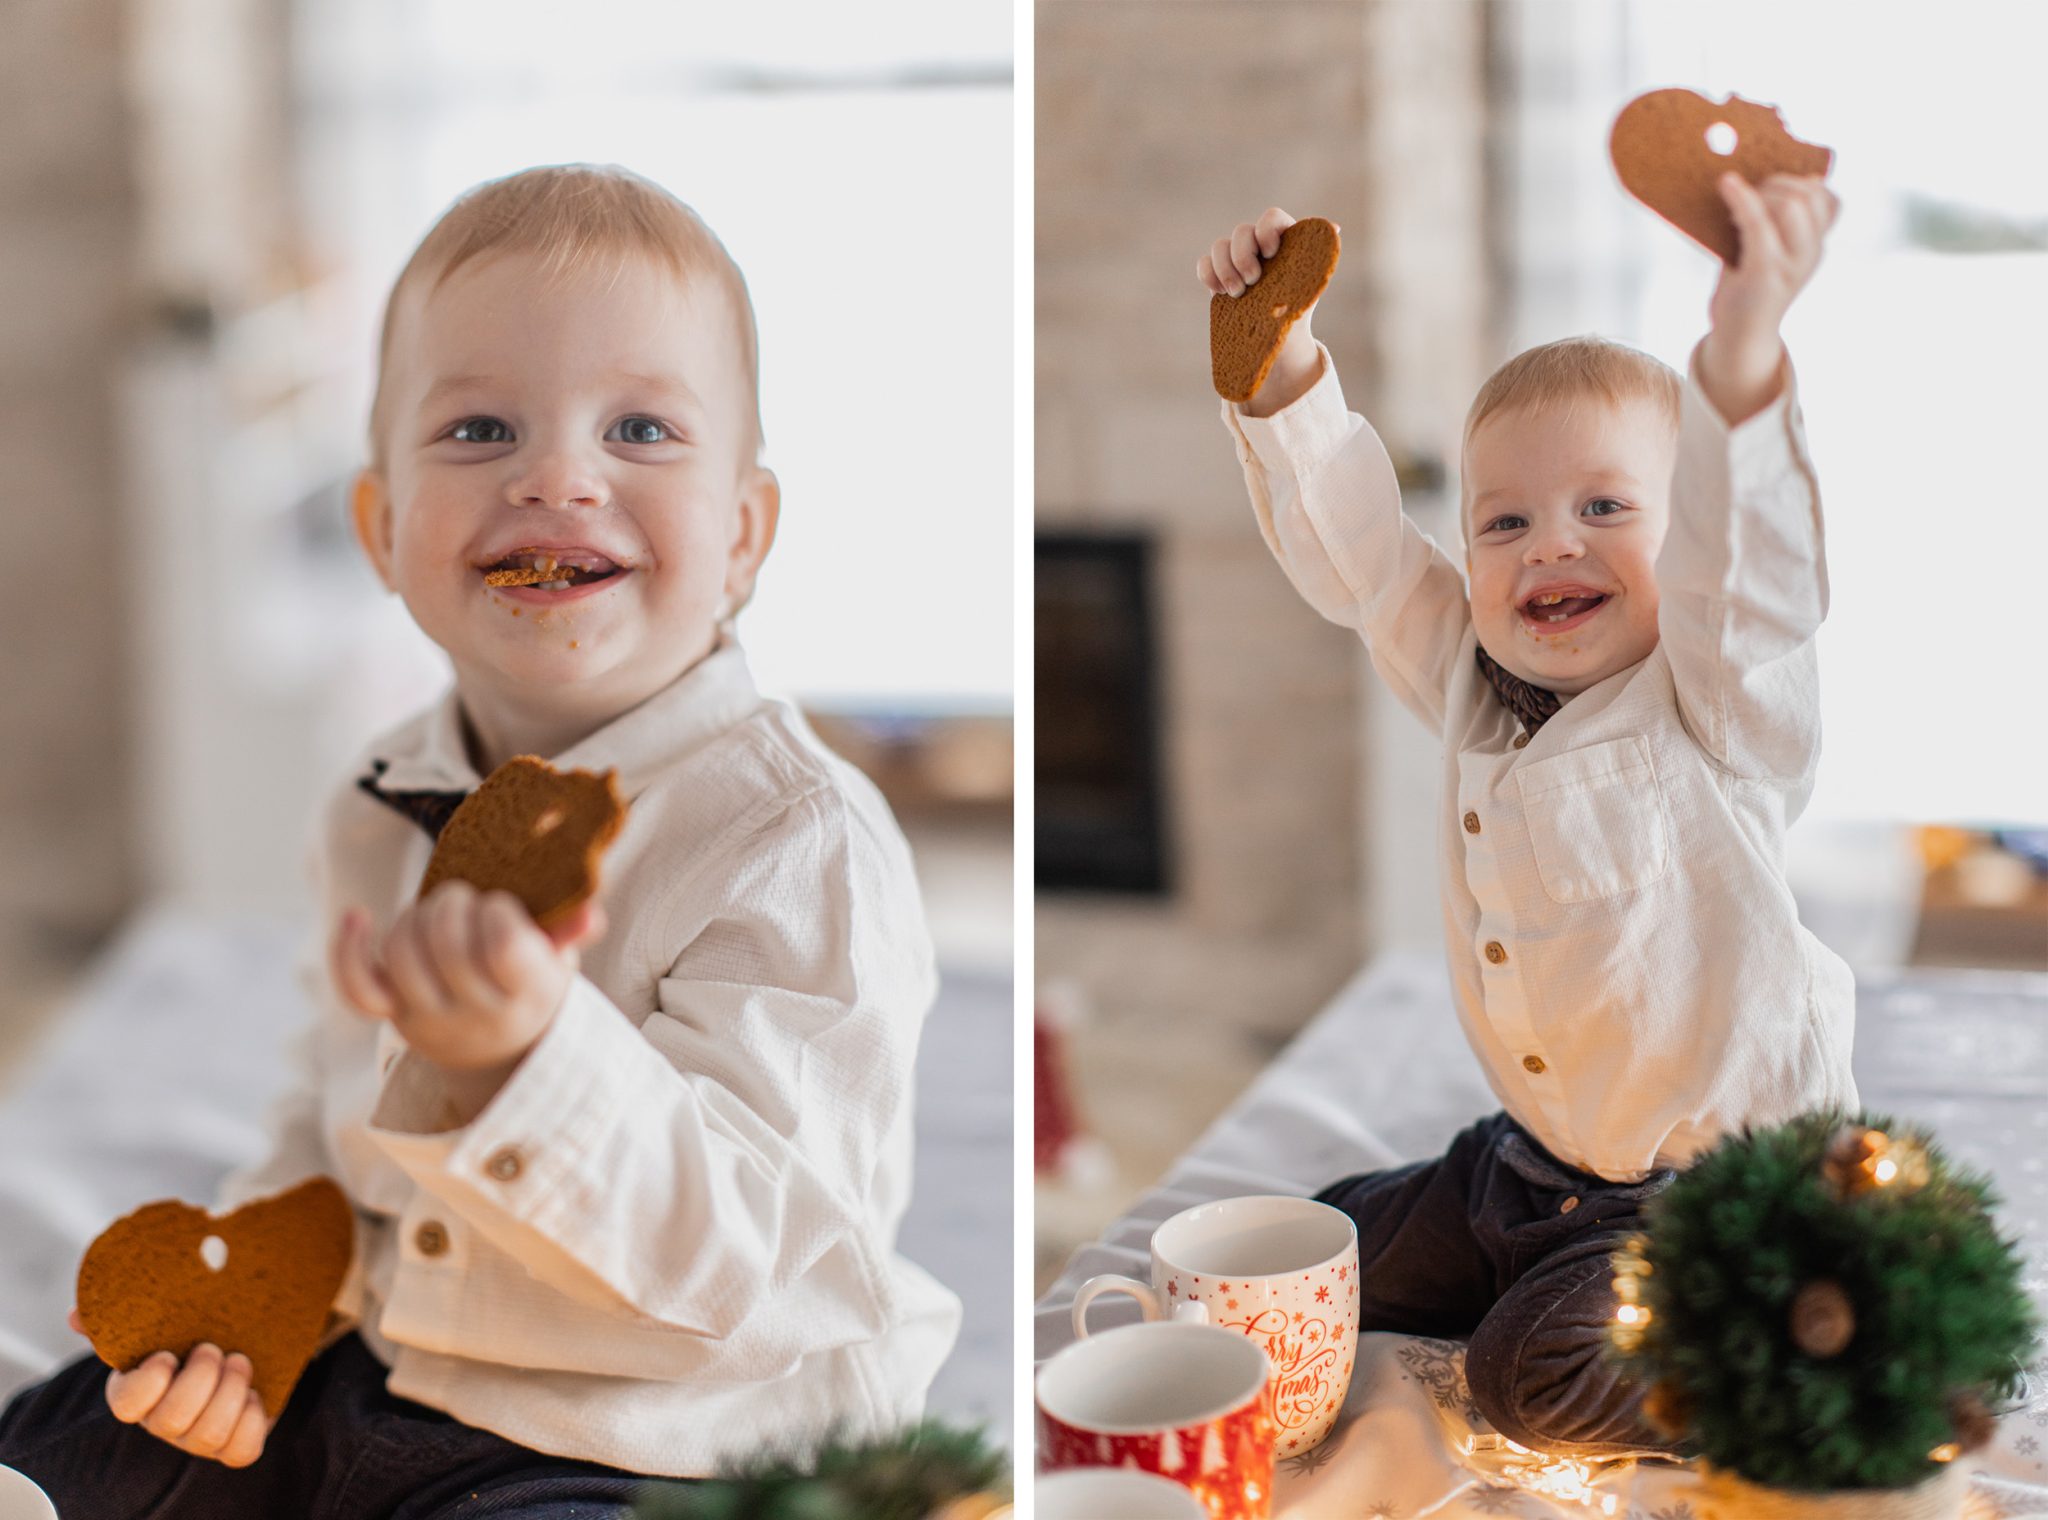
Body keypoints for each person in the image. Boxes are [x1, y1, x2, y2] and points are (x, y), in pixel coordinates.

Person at [0, 163, 961, 1516]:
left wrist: (531, 1061)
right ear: (385, 532)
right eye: (478, 431)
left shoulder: (794, 840)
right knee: (56, 1443)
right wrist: (244, 1330)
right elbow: (333, 1110)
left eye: (639, 428)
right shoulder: (380, 803)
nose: (559, 475)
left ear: (744, 536)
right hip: (386, 1363)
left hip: (657, 1436)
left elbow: (764, 1271)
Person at [1199, 171, 1850, 1453]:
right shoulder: (1466, 677)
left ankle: (1780, 1333)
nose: (1548, 544)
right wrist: (1279, 368)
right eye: (1504, 520)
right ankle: (1528, 1267)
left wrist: (1741, 356)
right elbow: (1366, 559)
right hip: (1529, 1164)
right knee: (1302, 1250)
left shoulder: (1717, 701)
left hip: (1706, 1201)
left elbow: (1755, 580)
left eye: (1605, 507)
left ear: (1688, 540)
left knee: (1530, 1382)